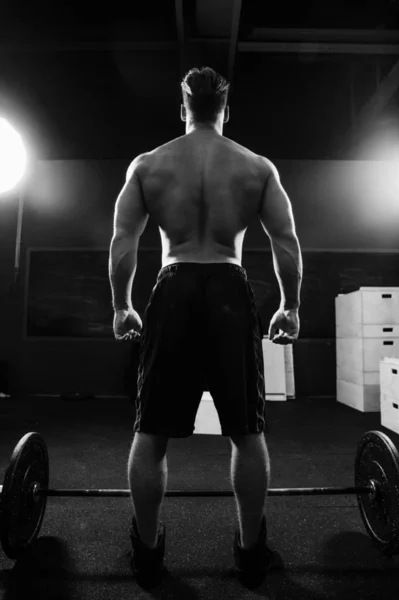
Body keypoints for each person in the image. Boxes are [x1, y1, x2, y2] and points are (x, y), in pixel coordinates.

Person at [109, 66, 303, 588]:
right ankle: (250, 555)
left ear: (183, 110)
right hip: (228, 289)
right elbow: (286, 242)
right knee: (246, 430)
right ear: (225, 112)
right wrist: (291, 306)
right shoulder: (255, 166)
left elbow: (124, 240)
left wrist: (121, 305)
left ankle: (148, 555)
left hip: (171, 289)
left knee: (151, 432)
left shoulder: (149, 164)